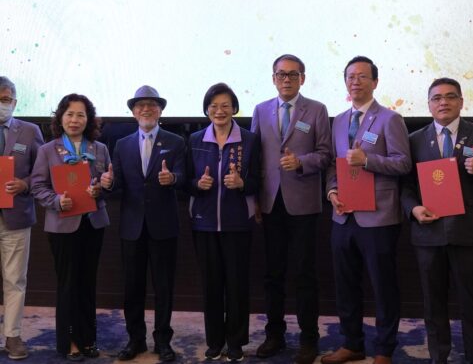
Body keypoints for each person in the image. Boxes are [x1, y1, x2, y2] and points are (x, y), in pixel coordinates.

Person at [401, 77, 473, 364]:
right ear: (429, 105)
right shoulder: (414, 139)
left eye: (450, 96)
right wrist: (413, 209)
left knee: (472, 304)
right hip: (428, 232)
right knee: (433, 304)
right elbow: (406, 186)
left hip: (469, 233)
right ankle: (438, 357)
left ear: (461, 102)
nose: (443, 102)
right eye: (437, 98)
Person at [323, 56, 411, 364]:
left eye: (362, 76)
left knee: (383, 286)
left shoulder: (390, 119)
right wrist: (332, 191)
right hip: (343, 215)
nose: (355, 81)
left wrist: (368, 160)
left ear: (375, 82)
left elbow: (403, 163)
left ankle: (384, 349)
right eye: (350, 76)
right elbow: (334, 164)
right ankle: (352, 344)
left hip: (379, 217)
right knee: (346, 284)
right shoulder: (338, 121)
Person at [251, 54, 331, 364]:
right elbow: (255, 158)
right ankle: (275, 335)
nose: (287, 79)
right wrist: (256, 200)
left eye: (293, 74)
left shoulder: (317, 109)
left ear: (303, 78)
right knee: (273, 274)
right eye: (281, 74)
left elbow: (325, 154)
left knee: (304, 274)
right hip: (271, 203)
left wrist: (301, 162)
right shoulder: (260, 110)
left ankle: (309, 339)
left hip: (303, 204)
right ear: (273, 79)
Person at [100, 85, 186, 362]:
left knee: (164, 287)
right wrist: (108, 183)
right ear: (133, 112)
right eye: (140, 105)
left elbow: (184, 177)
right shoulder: (122, 144)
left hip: (164, 226)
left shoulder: (176, 141)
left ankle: (163, 341)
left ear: (160, 111)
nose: (146, 109)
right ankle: (135, 340)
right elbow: (117, 186)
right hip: (132, 227)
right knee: (132, 287)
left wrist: (173, 178)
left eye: (152, 105)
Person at [31, 94, 110, 361]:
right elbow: (37, 186)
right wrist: (56, 201)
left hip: (93, 223)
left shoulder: (99, 148)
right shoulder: (48, 150)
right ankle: (70, 342)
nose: (75, 120)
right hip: (62, 225)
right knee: (68, 284)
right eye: (70, 114)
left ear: (89, 120)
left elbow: (107, 183)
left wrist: (101, 188)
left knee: (88, 283)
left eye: (80, 115)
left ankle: (88, 340)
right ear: (60, 117)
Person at [187, 83, 260, 362]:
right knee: (211, 286)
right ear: (207, 110)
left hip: (237, 223)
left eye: (225, 106)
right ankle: (215, 342)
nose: (219, 111)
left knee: (237, 285)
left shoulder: (250, 140)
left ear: (234, 108)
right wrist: (198, 184)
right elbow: (185, 182)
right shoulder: (195, 139)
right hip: (204, 223)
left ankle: (236, 342)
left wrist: (242, 184)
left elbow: (258, 180)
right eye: (214, 106)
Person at [0, 76, 44, 360]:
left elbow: (42, 172)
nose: (2, 104)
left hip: (15, 216)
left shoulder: (30, 131)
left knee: (15, 279)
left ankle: (13, 336)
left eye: (6, 99)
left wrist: (25, 184)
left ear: (15, 102)